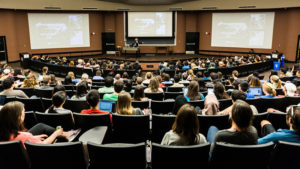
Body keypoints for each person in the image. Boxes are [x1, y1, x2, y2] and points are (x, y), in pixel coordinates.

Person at [0, 101, 77, 146]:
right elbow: (42, 145)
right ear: (19, 117)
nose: (25, 114)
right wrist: (55, 134)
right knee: (52, 134)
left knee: (40, 126)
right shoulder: (26, 136)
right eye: (23, 112)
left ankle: (66, 134)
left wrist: (33, 138)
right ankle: (67, 135)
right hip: (31, 159)